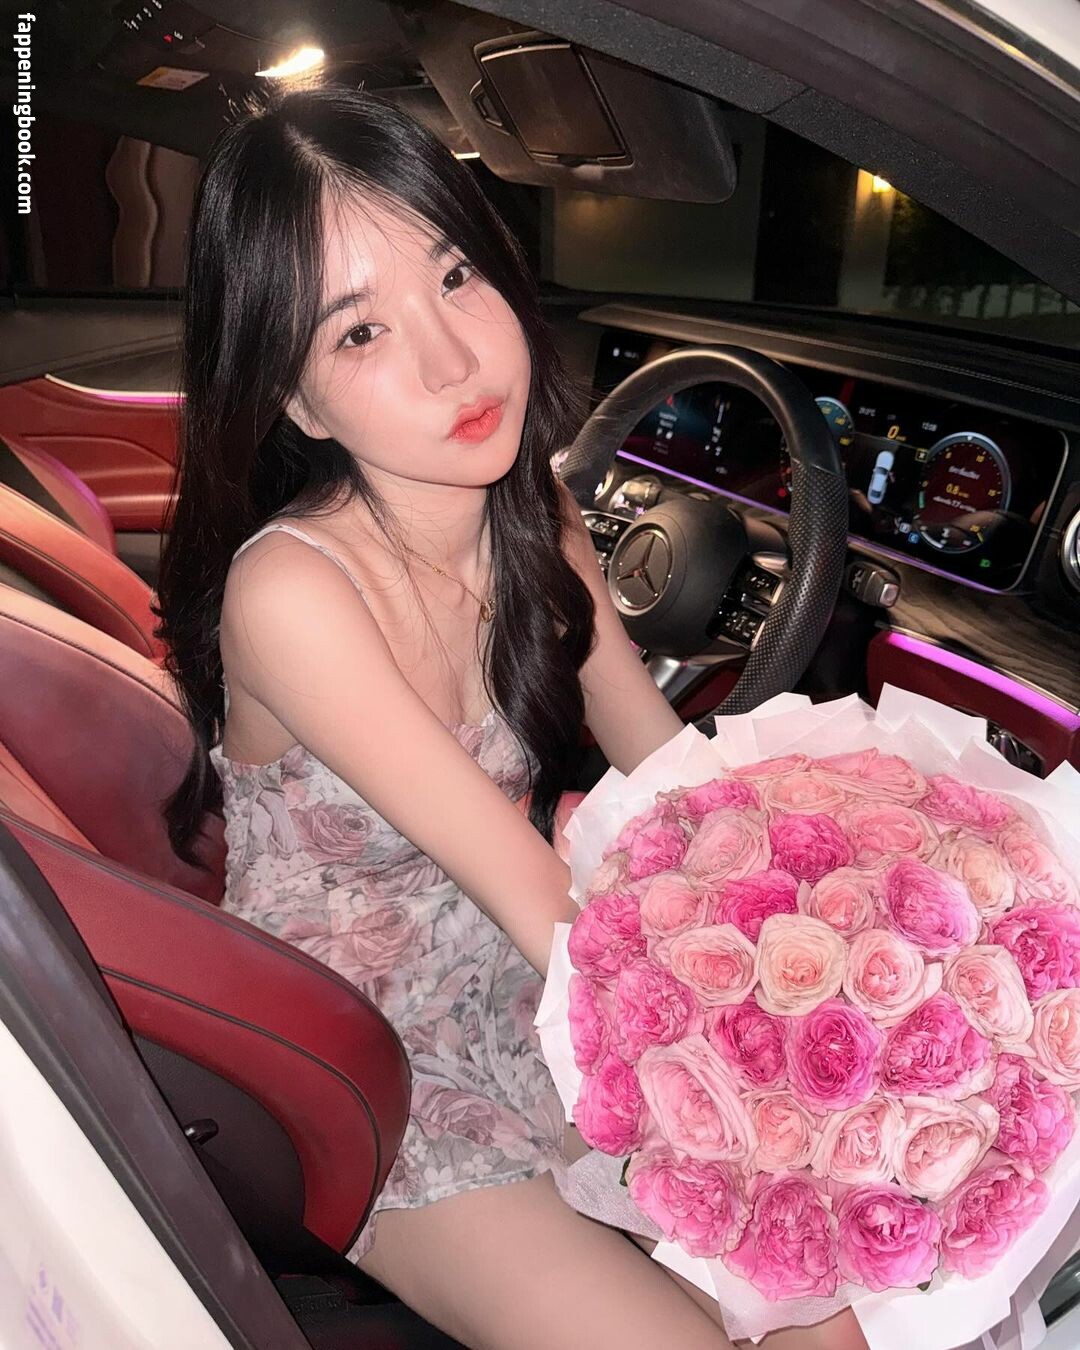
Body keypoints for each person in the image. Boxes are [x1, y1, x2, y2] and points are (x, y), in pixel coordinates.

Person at [155, 84, 868, 1350]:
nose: (452, 361)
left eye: (454, 277)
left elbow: (674, 783)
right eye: (359, 333)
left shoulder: (536, 513)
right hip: (370, 1063)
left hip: (533, 985)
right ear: (299, 402)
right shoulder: (292, 593)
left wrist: (848, 914)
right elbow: (533, 891)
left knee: (838, 1305)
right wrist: (770, 1055)